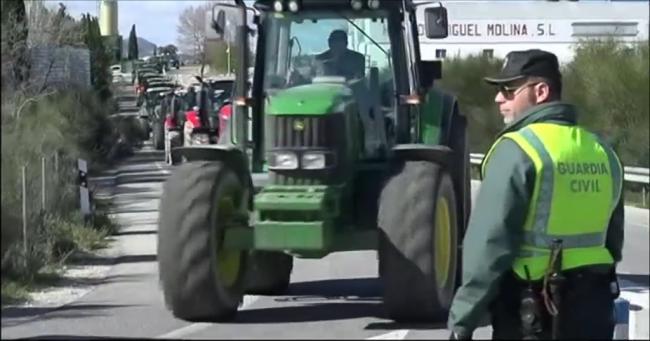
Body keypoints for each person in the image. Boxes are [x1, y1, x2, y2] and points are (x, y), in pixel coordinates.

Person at [447, 49, 625, 340]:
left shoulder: (518, 150)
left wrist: (463, 320)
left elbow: (489, 244)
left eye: (508, 89)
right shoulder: (602, 151)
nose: (498, 98)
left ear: (540, 91)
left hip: (532, 310)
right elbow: (613, 239)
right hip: (593, 306)